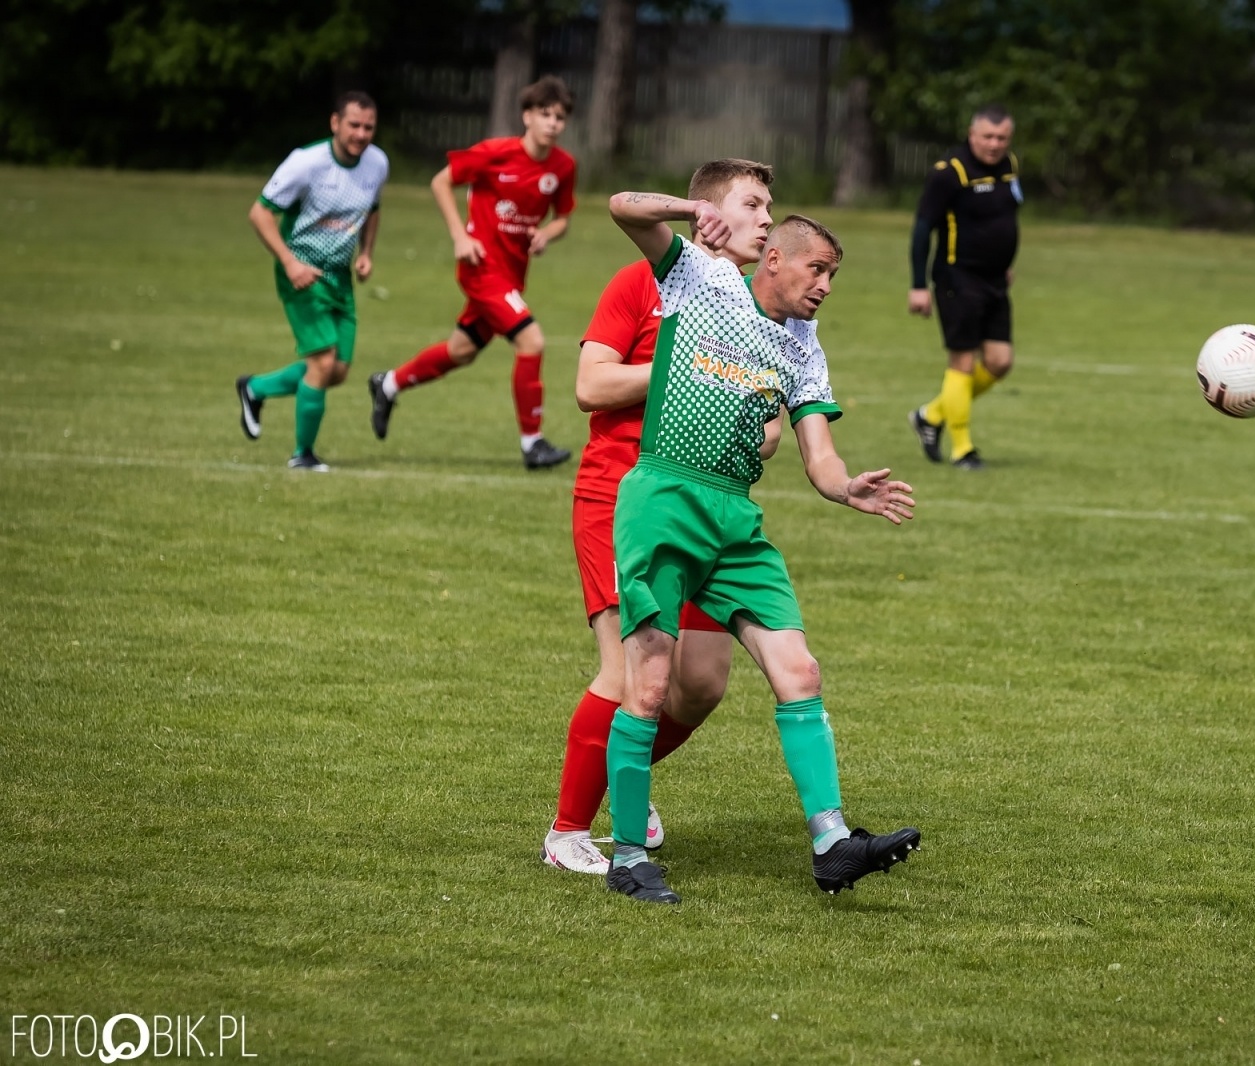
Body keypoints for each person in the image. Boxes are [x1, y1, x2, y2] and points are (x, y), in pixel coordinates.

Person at [601, 187, 922, 905]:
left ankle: (832, 841)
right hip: (663, 500)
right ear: (774, 259)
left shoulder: (803, 347)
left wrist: (847, 489)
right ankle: (625, 855)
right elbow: (623, 206)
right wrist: (691, 211)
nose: (826, 287)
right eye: (818, 270)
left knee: (799, 668)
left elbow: (819, 456)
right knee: (650, 685)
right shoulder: (702, 277)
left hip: (735, 522)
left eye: (833, 276)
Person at [542, 160, 788, 876]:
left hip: (701, 511)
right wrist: (683, 367)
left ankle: (627, 781)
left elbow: (767, 432)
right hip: (622, 499)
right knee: (624, 673)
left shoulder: (747, 309)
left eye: (771, 206)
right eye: (754, 204)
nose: (768, 219)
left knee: (704, 681)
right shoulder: (642, 282)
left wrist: (758, 422)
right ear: (712, 212)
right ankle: (566, 834)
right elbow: (591, 385)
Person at [367, 76, 577, 469]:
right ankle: (533, 444)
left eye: (560, 117)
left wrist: (547, 233)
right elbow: (441, 180)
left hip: (512, 275)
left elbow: (564, 217)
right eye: (544, 114)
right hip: (481, 269)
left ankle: (389, 384)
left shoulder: (563, 167)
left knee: (460, 351)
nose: (552, 123)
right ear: (527, 116)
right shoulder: (495, 153)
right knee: (531, 341)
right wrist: (459, 236)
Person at [236, 91, 388, 471]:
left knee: (336, 372)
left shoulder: (377, 164)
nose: (361, 133)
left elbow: (372, 209)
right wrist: (289, 263)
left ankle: (256, 388)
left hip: (339, 277)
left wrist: (366, 253)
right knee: (322, 363)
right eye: (354, 124)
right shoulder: (306, 163)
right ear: (335, 123)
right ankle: (302, 455)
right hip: (301, 273)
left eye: (369, 127)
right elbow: (260, 213)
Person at [907, 104, 1022, 472]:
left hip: (994, 281)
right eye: (987, 136)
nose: (994, 144)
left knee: (1000, 362)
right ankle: (963, 450)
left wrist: (1004, 263)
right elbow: (923, 229)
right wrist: (918, 285)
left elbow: (1003, 218)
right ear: (972, 134)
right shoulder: (949, 173)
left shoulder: (1009, 167)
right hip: (958, 279)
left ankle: (931, 415)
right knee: (963, 362)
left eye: (1001, 137)